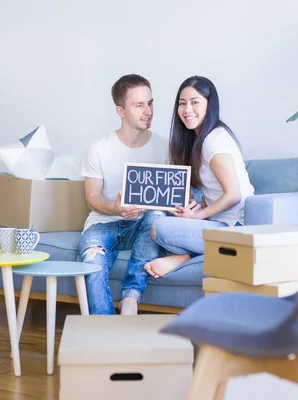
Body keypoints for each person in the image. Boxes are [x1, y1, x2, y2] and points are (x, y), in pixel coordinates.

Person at [144, 76, 255, 278]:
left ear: (209, 105)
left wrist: (198, 216)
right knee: (161, 217)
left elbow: (233, 195)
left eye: (195, 102)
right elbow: (215, 189)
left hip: (236, 225)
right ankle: (188, 253)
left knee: (158, 228)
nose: (187, 110)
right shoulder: (198, 140)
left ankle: (184, 256)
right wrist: (199, 206)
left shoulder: (215, 140)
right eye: (182, 103)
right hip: (218, 221)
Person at [79, 74, 168, 315]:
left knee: (157, 217)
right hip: (103, 225)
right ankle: (105, 329)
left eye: (150, 103)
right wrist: (116, 209)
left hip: (144, 224)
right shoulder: (98, 149)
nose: (148, 111)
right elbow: (92, 198)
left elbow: (170, 198)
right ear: (120, 110)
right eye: (138, 105)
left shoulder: (164, 147)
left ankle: (131, 297)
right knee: (92, 262)